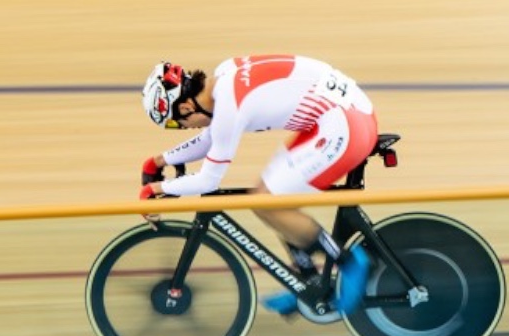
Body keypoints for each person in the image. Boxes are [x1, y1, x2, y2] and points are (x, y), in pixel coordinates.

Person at [138, 54, 376, 316]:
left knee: (266, 203)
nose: (185, 128)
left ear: (185, 109)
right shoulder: (224, 74)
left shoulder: (229, 107)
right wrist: (159, 161)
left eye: (178, 124)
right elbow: (212, 137)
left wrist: (156, 190)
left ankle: (349, 262)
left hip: (344, 126)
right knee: (267, 197)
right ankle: (308, 282)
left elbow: (209, 178)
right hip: (338, 115)